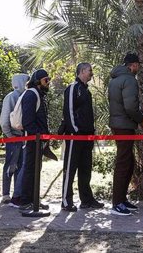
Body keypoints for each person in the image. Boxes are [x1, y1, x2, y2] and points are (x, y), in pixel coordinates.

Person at [61, 63, 103, 211]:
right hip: (75, 136)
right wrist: (75, 130)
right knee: (70, 168)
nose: (92, 73)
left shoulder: (86, 91)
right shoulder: (73, 88)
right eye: (90, 70)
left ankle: (86, 199)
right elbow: (69, 111)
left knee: (86, 168)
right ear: (82, 71)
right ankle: (66, 200)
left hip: (87, 137)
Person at [108, 53, 143, 216]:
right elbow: (130, 106)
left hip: (118, 124)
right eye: (138, 65)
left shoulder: (115, 79)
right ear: (133, 65)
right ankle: (117, 203)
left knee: (128, 161)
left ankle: (122, 199)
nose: (138, 68)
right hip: (124, 125)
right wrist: (141, 120)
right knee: (124, 162)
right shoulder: (129, 79)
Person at [18, 69, 52, 212]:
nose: (48, 83)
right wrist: (38, 135)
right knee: (30, 169)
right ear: (38, 81)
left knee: (36, 169)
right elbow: (28, 121)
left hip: (37, 139)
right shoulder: (31, 94)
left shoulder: (37, 94)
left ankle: (34, 200)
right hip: (33, 139)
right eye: (46, 80)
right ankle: (26, 201)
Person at [0, 73, 29, 206]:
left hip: (22, 137)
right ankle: (6, 195)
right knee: (10, 166)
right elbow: (4, 120)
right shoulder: (11, 97)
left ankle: (17, 194)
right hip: (13, 137)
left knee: (20, 166)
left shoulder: (25, 96)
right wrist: (9, 136)